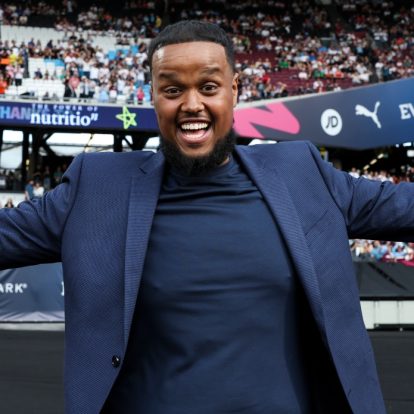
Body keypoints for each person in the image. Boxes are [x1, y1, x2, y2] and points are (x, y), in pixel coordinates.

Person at [0, 20, 413, 414]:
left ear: (235, 89)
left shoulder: (302, 172)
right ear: (152, 95)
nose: (192, 104)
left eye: (209, 87)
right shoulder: (97, 188)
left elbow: (402, 207)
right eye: (173, 89)